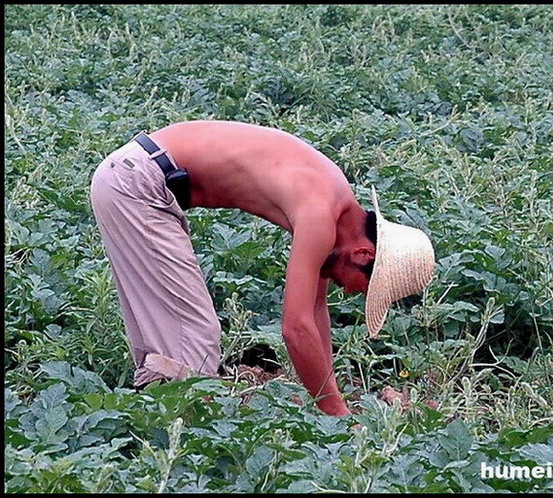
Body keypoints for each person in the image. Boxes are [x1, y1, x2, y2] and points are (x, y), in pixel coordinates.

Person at [89, 120, 435, 416]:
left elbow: (315, 312)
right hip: (138, 184)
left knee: (172, 332)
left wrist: (330, 396)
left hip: (135, 175)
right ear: (362, 254)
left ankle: (159, 421)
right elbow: (295, 329)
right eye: (362, 287)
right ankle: (175, 441)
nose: (348, 291)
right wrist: (337, 415)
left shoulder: (334, 203)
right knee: (194, 333)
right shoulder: (320, 212)